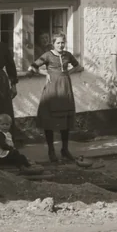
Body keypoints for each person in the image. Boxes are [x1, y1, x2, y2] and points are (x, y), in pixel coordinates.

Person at [32, 32, 82, 163]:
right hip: (52, 88)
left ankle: (65, 149)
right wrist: (46, 73)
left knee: (65, 120)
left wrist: (66, 73)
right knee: (50, 120)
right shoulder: (48, 55)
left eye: (62, 42)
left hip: (65, 87)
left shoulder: (67, 55)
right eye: (58, 43)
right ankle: (51, 150)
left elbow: (78, 66)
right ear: (53, 44)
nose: (61, 45)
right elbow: (32, 67)